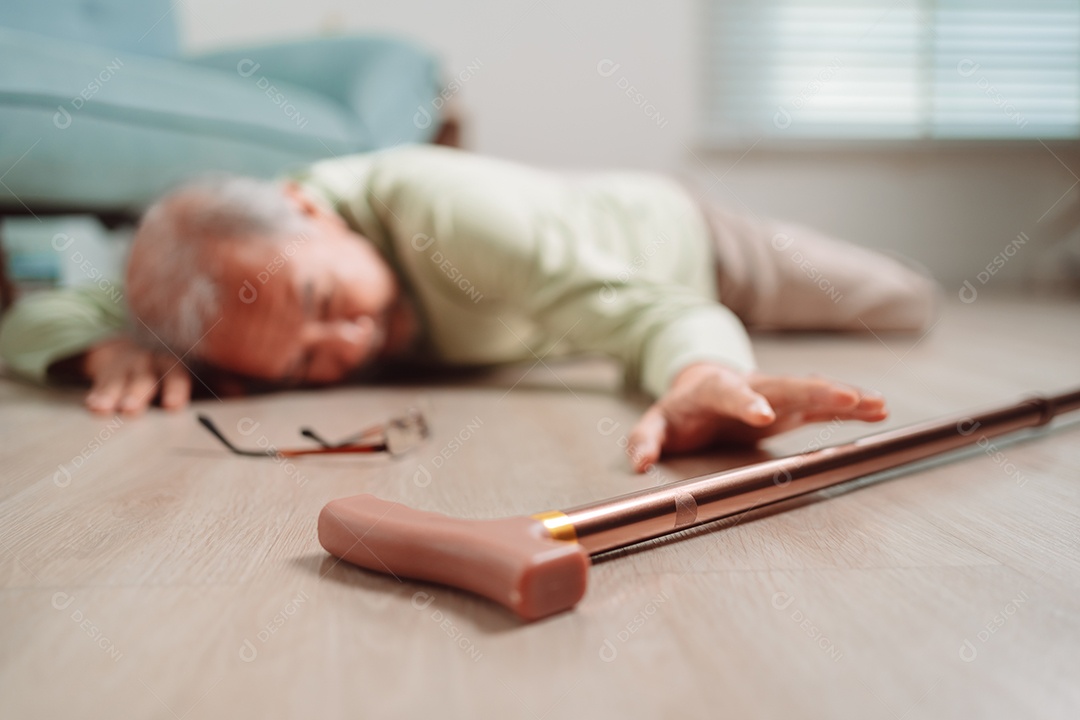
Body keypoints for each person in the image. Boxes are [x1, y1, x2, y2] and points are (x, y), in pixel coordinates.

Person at [0, 144, 938, 472]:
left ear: (308, 209)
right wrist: (108, 352)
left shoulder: (441, 213)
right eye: (303, 364)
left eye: (324, 297)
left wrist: (705, 376)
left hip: (694, 248)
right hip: (622, 296)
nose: (347, 340)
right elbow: (29, 319)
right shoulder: (194, 281)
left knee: (904, 303)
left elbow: (655, 312)